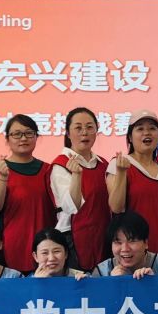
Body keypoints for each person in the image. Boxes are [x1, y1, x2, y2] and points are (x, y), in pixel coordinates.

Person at [0, 114, 55, 274]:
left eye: (29, 133)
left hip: (46, 249)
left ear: (36, 137)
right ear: (7, 139)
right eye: (17, 134)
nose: (23, 138)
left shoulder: (49, 170)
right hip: (10, 247)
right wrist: (3, 177)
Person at [106, 109, 158, 263]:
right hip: (132, 253)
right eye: (140, 129)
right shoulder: (119, 164)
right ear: (130, 137)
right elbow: (116, 207)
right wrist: (121, 173)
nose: (147, 133)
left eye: (152, 128)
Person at [51, 107, 110, 271]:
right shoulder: (60, 165)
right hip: (73, 240)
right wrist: (77, 175)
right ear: (68, 133)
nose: (85, 132)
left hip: (102, 235)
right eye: (78, 128)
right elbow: (71, 207)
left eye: (90, 127)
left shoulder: (103, 164)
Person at [91, 211, 158, 279]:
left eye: (132, 241)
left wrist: (154, 284)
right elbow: (92, 296)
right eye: (118, 242)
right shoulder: (102, 271)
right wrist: (110, 284)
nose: (125, 249)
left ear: (146, 243)